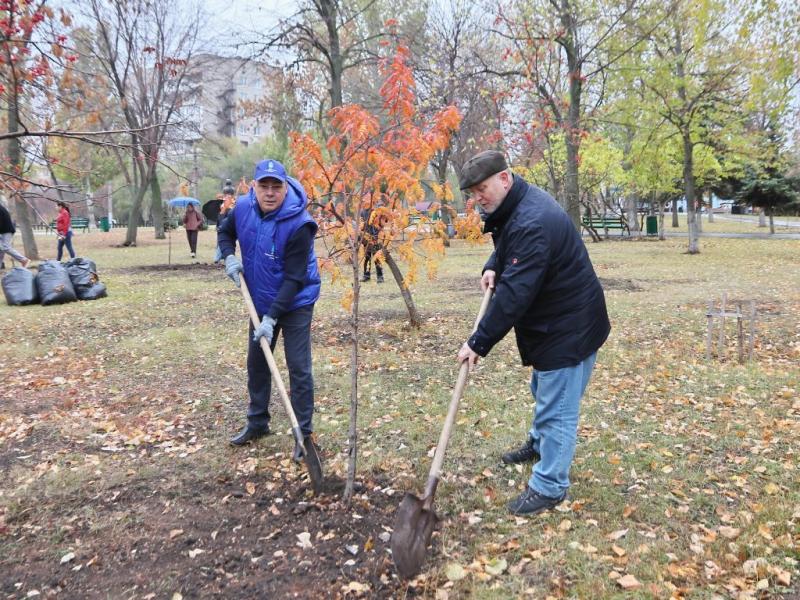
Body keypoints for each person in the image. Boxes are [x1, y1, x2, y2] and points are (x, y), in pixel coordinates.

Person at [456, 150, 611, 516]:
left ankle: (550, 486)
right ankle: (541, 444)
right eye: (473, 192)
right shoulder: (516, 206)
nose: (478, 198)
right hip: (554, 319)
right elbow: (508, 244)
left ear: (505, 179)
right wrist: (494, 264)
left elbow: (515, 295)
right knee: (544, 390)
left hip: (568, 325)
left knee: (558, 407)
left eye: (482, 189)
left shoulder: (532, 221)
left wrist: (478, 341)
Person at [218, 159, 321, 447]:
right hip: (260, 298)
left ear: (286, 188)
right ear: (255, 187)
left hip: (297, 300)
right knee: (258, 363)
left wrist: (272, 317)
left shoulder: (300, 224)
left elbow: (295, 278)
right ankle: (258, 423)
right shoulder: (242, 208)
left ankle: (304, 435)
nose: (270, 193)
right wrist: (228, 256)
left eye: (277, 186)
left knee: (299, 367)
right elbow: (224, 232)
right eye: (264, 186)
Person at [0, 201, 30, 269]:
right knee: (1, 249)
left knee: (5, 247)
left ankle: (24, 260)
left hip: (6, 230)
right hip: (3, 230)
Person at [360, 205, 385, 283]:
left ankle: (380, 277)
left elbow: (381, 223)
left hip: (375, 238)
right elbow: (361, 226)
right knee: (367, 258)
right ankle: (366, 276)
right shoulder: (362, 212)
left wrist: (377, 234)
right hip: (366, 238)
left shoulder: (376, 210)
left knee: (377, 258)